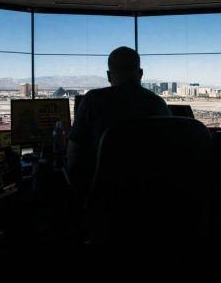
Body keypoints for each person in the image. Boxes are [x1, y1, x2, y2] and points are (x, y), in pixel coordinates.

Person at [67, 46, 171, 202]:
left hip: (104, 199)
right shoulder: (158, 104)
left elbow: (73, 159)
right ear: (141, 73)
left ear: (109, 76)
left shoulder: (92, 100)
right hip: (151, 198)